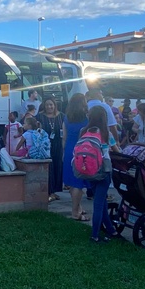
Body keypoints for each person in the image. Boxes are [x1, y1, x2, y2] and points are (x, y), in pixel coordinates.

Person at [82, 105, 120, 243]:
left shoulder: (84, 131)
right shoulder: (106, 133)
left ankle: (111, 229)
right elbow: (116, 150)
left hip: (88, 169)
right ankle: (95, 235)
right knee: (98, 204)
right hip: (104, 169)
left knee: (102, 200)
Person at [61, 93, 89, 222]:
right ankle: (75, 212)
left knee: (72, 182)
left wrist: (64, 152)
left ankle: (78, 207)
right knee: (78, 183)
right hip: (82, 151)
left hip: (69, 150)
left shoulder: (67, 118)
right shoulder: (87, 118)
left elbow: (64, 138)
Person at [38, 98, 66, 200]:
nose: (49, 107)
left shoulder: (62, 116)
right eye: (47, 105)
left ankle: (54, 191)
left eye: (51, 105)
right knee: (49, 167)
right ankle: (49, 191)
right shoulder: (40, 116)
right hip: (46, 145)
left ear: (54, 105)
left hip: (58, 144)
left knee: (58, 167)